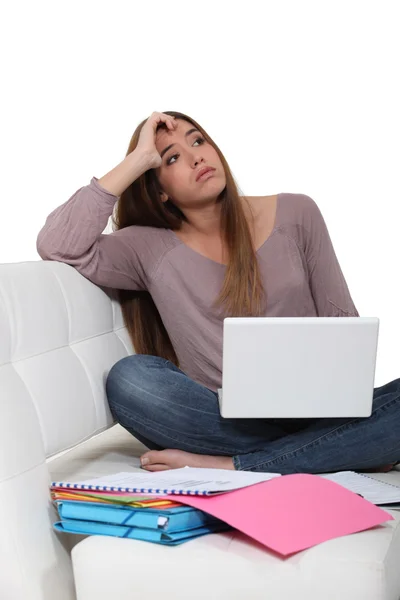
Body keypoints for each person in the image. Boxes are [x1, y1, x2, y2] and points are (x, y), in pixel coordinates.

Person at [36, 111, 400, 474]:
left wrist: (341, 391)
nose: (196, 157)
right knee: (132, 380)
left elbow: (342, 324)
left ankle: (242, 465)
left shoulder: (297, 212)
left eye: (198, 141)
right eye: (172, 157)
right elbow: (58, 245)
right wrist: (137, 160)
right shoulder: (147, 247)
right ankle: (340, 450)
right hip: (225, 421)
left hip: (321, 412)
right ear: (159, 189)